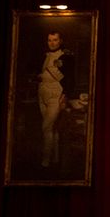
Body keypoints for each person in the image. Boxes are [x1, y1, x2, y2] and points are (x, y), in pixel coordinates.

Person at [38, 31, 75, 168]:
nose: (52, 43)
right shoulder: (45, 55)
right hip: (42, 92)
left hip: (56, 93)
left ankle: (45, 161)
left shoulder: (66, 56)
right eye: (49, 40)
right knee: (52, 129)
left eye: (55, 40)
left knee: (46, 127)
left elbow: (70, 78)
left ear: (60, 41)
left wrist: (66, 94)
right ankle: (55, 159)